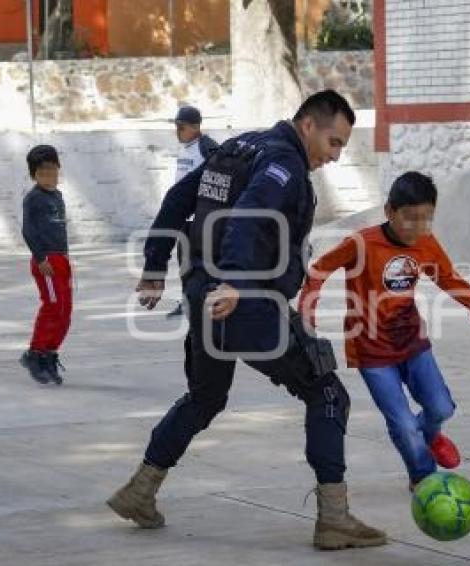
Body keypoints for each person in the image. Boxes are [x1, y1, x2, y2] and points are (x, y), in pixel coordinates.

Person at [107, 90, 386, 550]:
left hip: (204, 296)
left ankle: (140, 490)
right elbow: (248, 218)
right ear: (308, 126)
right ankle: (334, 518)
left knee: (205, 397)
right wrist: (236, 281)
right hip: (244, 301)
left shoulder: (238, 148)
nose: (335, 156)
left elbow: (179, 197)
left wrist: (155, 267)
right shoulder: (284, 164)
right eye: (334, 143)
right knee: (327, 391)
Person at [298, 172, 470, 489]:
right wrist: (308, 313)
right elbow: (320, 270)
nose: (417, 227)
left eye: (426, 219)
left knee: (441, 407)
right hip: (371, 350)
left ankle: (429, 436)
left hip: (411, 341)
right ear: (389, 211)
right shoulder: (362, 243)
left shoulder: (426, 244)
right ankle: (423, 478)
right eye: (409, 218)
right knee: (403, 423)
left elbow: (449, 279)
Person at [19, 145, 72, 386]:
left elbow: (60, 229)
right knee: (52, 306)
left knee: (65, 311)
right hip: (46, 261)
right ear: (34, 175)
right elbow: (28, 231)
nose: (50, 176)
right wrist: (41, 259)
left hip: (61, 259)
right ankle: (35, 353)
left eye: (53, 171)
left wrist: (66, 258)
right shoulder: (33, 198)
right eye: (43, 172)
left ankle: (50, 353)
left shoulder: (57, 196)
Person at [167, 105, 219, 318]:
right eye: (176, 127)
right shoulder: (186, 148)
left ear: (195, 127)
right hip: (185, 217)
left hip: (198, 219)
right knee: (184, 262)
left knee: (199, 264)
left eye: (181, 127)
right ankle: (187, 299)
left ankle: (203, 299)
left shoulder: (206, 147)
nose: (177, 132)